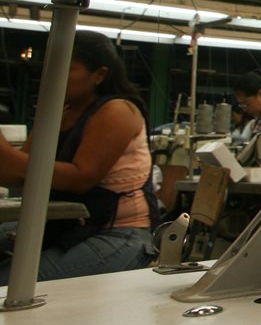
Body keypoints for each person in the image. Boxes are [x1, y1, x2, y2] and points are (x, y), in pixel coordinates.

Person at [0, 31, 157, 283]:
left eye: (64, 68)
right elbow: (19, 174)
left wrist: (7, 155)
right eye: (49, 68)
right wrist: (7, 160)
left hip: (116, 233)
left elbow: (80, 178)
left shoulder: (117, 111)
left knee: (11, 283)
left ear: (99, 74)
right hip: (69, 225)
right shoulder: (58, 112)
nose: (51, 76)